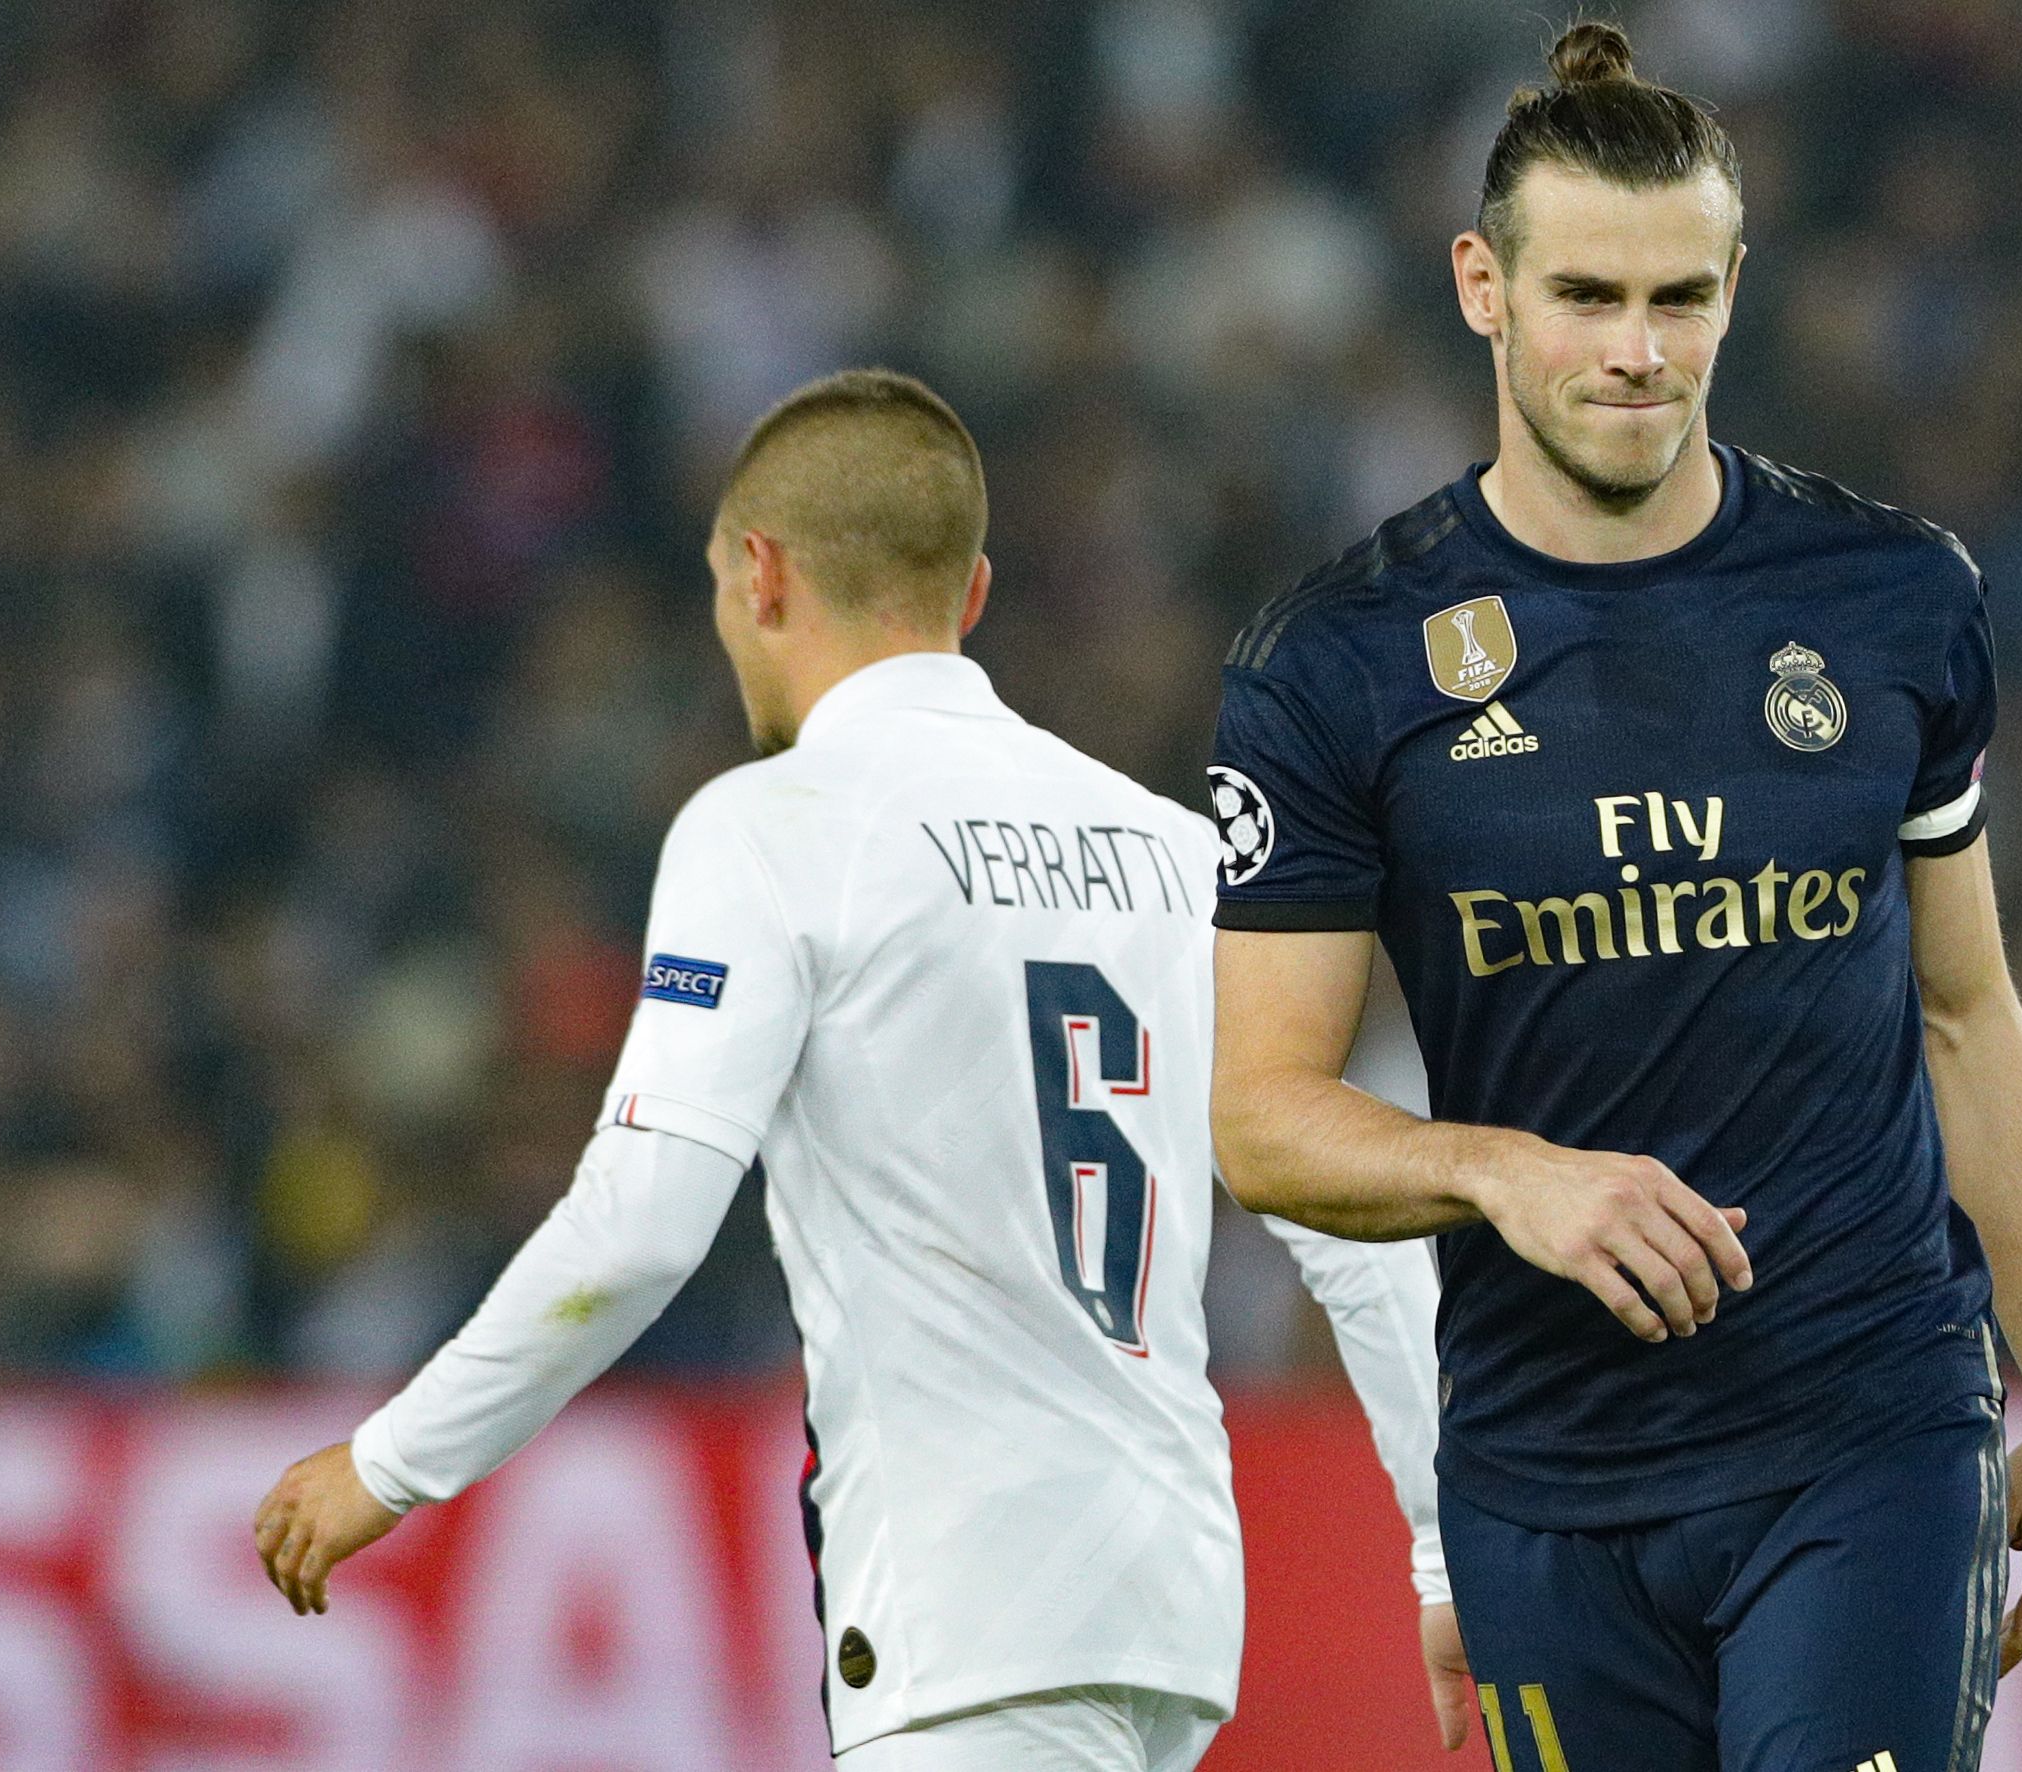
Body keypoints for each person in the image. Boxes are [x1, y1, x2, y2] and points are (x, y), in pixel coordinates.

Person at [252, 368, 1452, 1771]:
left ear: (757, 575)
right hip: (1169, 1609)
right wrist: (1440, 1553)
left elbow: (637, 1226)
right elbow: (1356, 1232)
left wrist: (393, 1458)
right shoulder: (1175, 857)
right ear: (975, 593)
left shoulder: (773, 826)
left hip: (961, 1605)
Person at [1206, 23, 2022, 1772]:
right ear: (1481, 286)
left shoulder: (1889, 601)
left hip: (1865, 1424)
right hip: (1549, 1475)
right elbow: (1258, 1118)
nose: (1636, 355)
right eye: (1585, 297)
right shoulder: (1336, 664)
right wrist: (1503, 1173)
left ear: (1732, 289)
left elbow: (1961, 1007)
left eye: (1680, 300)